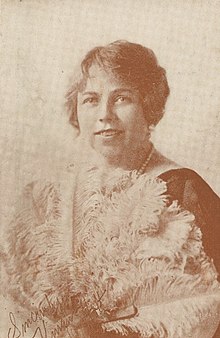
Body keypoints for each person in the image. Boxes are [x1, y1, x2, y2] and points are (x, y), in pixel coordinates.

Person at [2, 40, 220, 338]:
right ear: (76, 111)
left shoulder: (184, 190)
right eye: (91, 99)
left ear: (149, 105)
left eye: (121, 98)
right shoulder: (51, 198)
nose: (105, 114)